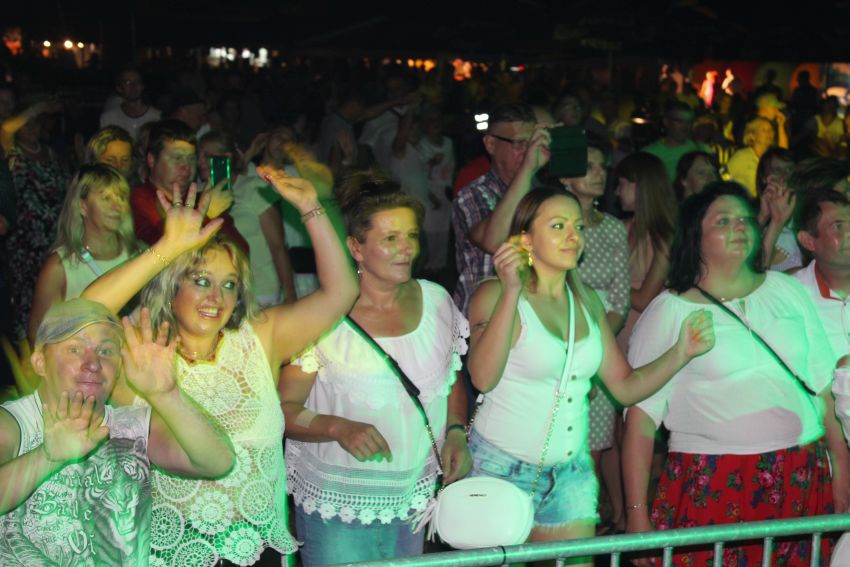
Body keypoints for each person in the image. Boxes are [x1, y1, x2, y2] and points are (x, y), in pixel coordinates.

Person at [84, 165, 358, 566]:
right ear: (172, 285)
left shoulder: (259, 337)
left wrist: (310, 206)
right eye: (201, 280)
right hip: (172, 554)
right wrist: (168, 247)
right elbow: (82, 316)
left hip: (259, 550)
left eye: (229, 284)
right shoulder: (140, 353)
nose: (217, 296)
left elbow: (342, 292)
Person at [465, 185, 714, 567]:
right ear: (526, 240)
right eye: (558, 226)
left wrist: (681, 352)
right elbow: (483, 378)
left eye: (578, 227)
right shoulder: (493, 295)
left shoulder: (587, 302)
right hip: (501, 470)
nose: (573, 236)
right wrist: (512, 291)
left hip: (571, 474)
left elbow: (625, 387)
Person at [623, 182, 849, 567]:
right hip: (713, 478)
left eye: (745, 219)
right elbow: (640, 423)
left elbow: (823, 391)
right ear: (695, 236)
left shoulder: (786, 290)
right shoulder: (670, 311)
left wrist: (841, 471)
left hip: (800, 473)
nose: (740, 227)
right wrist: (636, 515)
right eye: (723, 221)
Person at [280, 173, 471, 566]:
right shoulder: (323, 318)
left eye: (411, 235)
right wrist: (337, 427)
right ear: (356, 247)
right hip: (339, 506)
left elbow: (449, 380)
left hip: (414, 499)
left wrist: (456, 432)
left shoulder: (437, 301)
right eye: (390, 238)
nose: (407, 248)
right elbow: (283, 410)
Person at [0, 298, 234, 565]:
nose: (92, 363)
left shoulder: (131, 425)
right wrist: (46, 457)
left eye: (106, 351)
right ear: (40, 362)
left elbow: (218, 462)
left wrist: (167, 394)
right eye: (75, 349)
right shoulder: (12, 422)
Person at [563, 145, 631, 534]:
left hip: (601, 345)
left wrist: (596, 348)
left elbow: (620, 299)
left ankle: (590, 529)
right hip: (559, 344)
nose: (599, 173)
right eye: (587, 166)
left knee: (596, 446)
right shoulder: (554, 228)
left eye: (602, 166)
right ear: (564, 177)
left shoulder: (613, 228)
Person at [29, 165, 142, 344]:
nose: (117, 206)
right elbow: (39, 336)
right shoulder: (60, 267)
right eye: (106, 198)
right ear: (82, 206)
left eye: (121, 197)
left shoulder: (141, 254)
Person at [452, 102, 547, 313]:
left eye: (531, 143)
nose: (528, 152)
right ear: (491, 144)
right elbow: (494, 241)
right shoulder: (473, 193)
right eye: (520, 144)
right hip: (483, 315)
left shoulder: (542, 192)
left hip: (530, 311)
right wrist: (528, 168)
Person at [2, 98, 68, 339]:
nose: (32, 128)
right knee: (26, 299)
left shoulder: (52, 153)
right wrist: (40, 105)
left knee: (54, 296)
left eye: (36, 123)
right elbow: (4, 129)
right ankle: (26, 349)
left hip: (54, 239)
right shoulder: (11, 152)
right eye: (26, 124)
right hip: (24, 243)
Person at [130, 119, 247, 251]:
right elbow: (158, 256)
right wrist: (206, 214)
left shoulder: (200, 199)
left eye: (191, 158)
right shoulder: (137, 201)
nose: (186, 167)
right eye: (177, 158)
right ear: (151, 160)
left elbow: (241, 250)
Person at [614, 152, 678, 349]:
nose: (616, 192)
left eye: (621, 184)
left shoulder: (663, 239)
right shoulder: (622, 228)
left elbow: (644, 299)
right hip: (616, 332)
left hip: (644, 338)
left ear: (639, 187)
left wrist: (604, 281)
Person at [755, 147, 800, 272]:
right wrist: (763, 217)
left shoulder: (805, 211)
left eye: (789, 169)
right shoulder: (751, 213)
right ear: (765, 178)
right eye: (777, 170)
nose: (785, 175)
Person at [643, 101, 710, 181]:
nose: (685, 126)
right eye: (680, 121)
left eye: (689, 122)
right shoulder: (650, 155)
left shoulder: (702, 149)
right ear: (666, 122)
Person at [99, 67, 161, 141]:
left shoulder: (157, 116)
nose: (133, 86)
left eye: (137, 81)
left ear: (142, 86)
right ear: (119, 88)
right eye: (127, 83)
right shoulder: (108, 118)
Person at [727, 116, 776, 198]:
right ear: (752, 135)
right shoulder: (742, 156)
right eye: (764, 130)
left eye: (771, 130)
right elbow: (725, 176)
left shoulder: (772, 159)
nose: (769, 133)